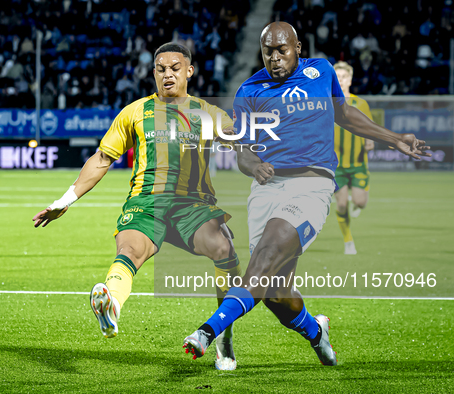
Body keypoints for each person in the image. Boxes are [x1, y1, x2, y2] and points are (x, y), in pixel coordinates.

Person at [183, 22, 430, 366]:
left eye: (281, 50)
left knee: (265, 257)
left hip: (312, 184)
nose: (274, 58)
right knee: (275, 295)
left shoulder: (321, 72)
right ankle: (316, 331)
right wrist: (253, 166)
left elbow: (344, 114)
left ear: (297, 48)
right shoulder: (250, 90)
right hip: (266, 188)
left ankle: (207, 332)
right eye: (267, 51)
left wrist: (395, 139)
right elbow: (242, 151)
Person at [33, 43, 243, 371]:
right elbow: (103, 158)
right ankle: (111, 305)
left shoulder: (207, 112)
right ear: (153, 73)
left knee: (224, 248)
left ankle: (224, 337)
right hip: (146, 203)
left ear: (189, 71)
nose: (167, 74)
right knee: (129, 252)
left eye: (175, 68)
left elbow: (242, 142)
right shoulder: (135, 112)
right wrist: (65, 201)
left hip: (192, 205)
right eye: (160, 69)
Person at [333, 61, 375, 255]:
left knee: (360, 203)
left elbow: (369, 129)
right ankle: (348, 240)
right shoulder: (326, 104)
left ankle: (356, 200)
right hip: (336, 166)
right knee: (341, 205)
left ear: (350, 79)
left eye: (344, 77)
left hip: (358, 163)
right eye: (337, 77)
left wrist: (370, 141)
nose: (341, 80)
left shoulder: (361, 104)